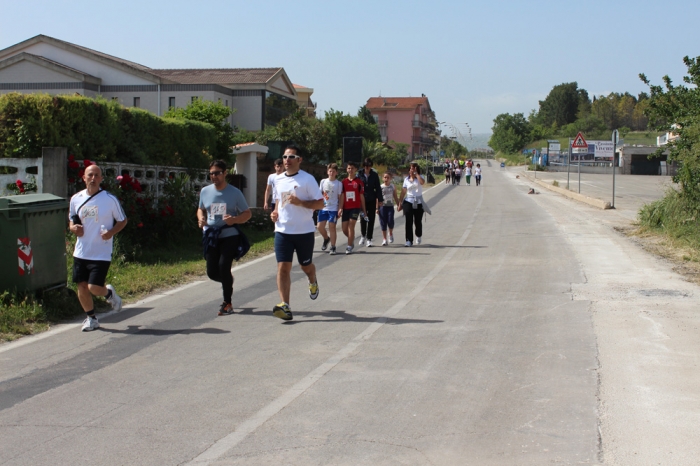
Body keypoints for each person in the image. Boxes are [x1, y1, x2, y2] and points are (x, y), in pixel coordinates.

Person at [68, 164, 128, 332]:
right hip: (81, 251)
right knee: (81, 286)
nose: (93, 178)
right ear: (84, 178)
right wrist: (73, 228)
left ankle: (109, 294)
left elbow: (122, 220)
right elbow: (72, 221)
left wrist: (111, 233)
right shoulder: (76, 199)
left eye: (96, 175)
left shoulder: (109, 199)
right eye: (90, 175)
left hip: (101, 253)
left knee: (93, 288)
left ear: (101, 179)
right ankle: (91, 318)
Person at [270, 144, 324, 320]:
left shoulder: (307, 180)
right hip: (283, 231)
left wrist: (300, 202)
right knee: (283, 267)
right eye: (285, 157)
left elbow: (320, 204)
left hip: (304, 231)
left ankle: (312, 279)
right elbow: (279, 200)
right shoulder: (278, 180)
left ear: (299, 160)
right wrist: (275, 212)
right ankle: (285, 305)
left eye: (291, 157)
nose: (287, 160)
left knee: (305, 266)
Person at [198, 160, 252, 316]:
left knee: (223, 266)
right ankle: (228, 281)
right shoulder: (205, 191)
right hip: (212, 235)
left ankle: (227, 303)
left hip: (229, 234)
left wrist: (234, 220)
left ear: (225, 173)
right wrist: (200, 218)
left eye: (217, 173)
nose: (214, 176)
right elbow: (200, 209)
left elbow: (247, 213)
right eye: (211, 174)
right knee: (211, 272)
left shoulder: (235, 193)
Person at [340, 161, 366, 255]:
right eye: (349, 168)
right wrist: (340, 208)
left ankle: (349, 246)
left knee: (351, 226)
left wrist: (364, 210)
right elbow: (342, 196)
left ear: (356, 170)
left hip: (355, 207)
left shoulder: (359, 182)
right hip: (346, 208)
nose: (350, 170)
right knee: (344, 229)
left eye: (352, 168)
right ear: (347, 169)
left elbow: (362, 197)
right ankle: (352, 239)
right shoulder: (343, 182)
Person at [397, 162, 426, 247]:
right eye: (410, 169)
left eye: (413, 169)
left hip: (418, 202)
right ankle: (409, 240)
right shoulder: (406, 180)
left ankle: (418, 234)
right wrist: (400, 203)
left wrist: (416, 175)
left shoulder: (420, 177)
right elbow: (403, 192)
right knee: (408, 221)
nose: (411, 170)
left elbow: (422, 182)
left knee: (417, 221)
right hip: (408, 202)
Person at [317, 163, 343, 255]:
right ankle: (326, 238)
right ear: (327, 172)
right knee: (320, 227)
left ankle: (333, 246)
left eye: (333, 171)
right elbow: (319, 194)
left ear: (336, 173)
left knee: (332, 227)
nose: (331, 173)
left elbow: (340, 197)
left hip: (333, 208)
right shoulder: (323, 181)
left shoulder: (338, 184)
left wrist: (340, 208)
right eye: (330, 171)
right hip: (323, 208)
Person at [358, 158, 384, 247]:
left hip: (372, 198)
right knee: (363, 218)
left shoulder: (374, 175)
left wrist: (380, 199)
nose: (367, 168)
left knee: (371, 218)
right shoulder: (359, 174)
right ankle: (363, 235)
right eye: (365, 166)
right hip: (362, 199)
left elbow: (378, 188)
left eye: (369, 166)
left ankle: (369, 238)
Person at [378, 172, 399, 246]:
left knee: (390, 221)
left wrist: (399, 204)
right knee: (383, 223)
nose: (386, 179)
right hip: (382, 207)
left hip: (390, 207)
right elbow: (377, 198)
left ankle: (390, 233)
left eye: (388, 177)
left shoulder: (393, 186)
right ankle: (384, 239)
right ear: (382, 178)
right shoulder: (380, 187)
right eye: (385, 177)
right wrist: (377, 208)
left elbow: (395, 196)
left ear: (390, 178)